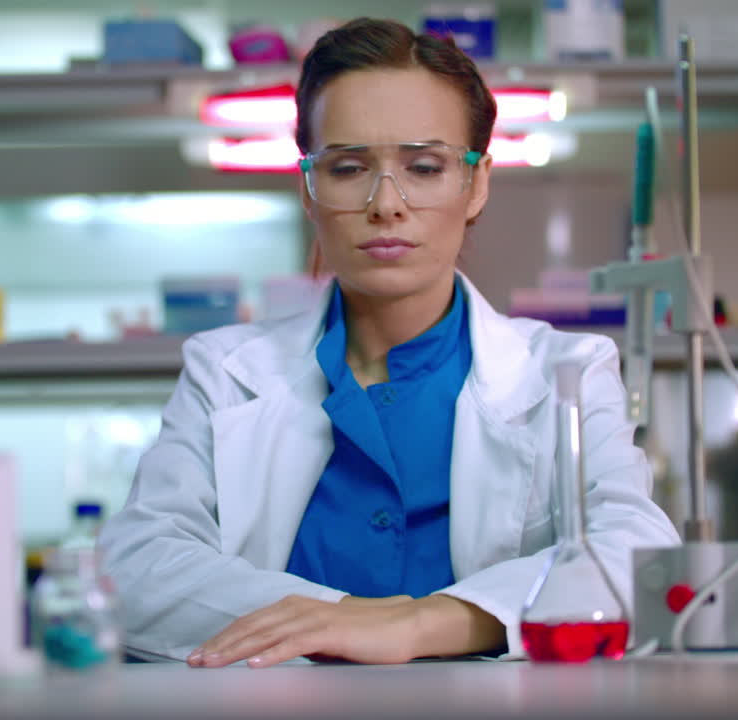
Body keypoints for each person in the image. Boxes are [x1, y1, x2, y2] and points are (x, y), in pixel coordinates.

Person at [99, 17, 679, 667]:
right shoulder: (224, 372)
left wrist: (420, 625)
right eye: (348, 167)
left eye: (424, 166)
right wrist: (343, 621)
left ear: (476, 183)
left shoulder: (567, 372)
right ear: (310, 189)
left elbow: (636, 552)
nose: (386, 204)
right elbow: (137, 568)